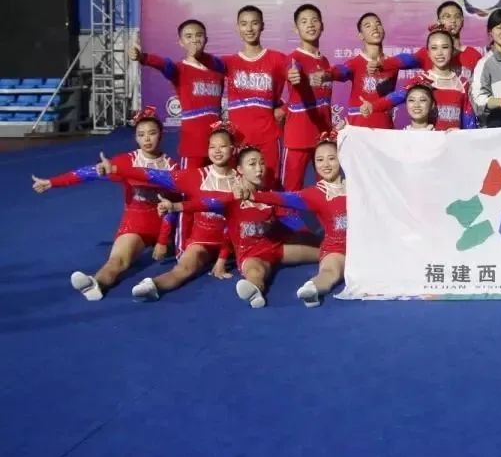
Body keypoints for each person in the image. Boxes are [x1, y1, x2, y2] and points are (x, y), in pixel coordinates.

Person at [30, 108, 176, 300]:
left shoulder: (172, 166)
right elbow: (87, 173)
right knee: (117, 261)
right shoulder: (127, 161)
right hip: (136, 224)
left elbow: (175, 204)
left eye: (152, 133)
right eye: (141, 135)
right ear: (136, 138)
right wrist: (52, 182)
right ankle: (96, 283)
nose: (147, 139)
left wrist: (163, 240)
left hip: (164, 224)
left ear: (161, 134)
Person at [162, 147, 320, 308]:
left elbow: (290, 216)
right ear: (240, 169)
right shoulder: (232, 198)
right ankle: (255, 292)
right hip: (250, 254)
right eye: (252, 164)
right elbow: (205, 204)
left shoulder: (268, 195)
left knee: (324, 253)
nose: (259, 169)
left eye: (262, 163)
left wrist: (307, 235)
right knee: (256, 273)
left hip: (277, 248)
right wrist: (175, 206)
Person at [99, 122, 240, 301]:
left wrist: (222, 259)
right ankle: (154, 285)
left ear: (233, 149)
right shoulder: (195, 176)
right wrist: (116, 168)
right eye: (212, 147)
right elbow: (153, 175)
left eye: (222, 146)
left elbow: (237, 221)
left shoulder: (241, 181)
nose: (217, 151)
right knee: (183, 269)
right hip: (203, 241)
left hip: (234, 243)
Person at [247, 132, 347, 307]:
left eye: (331, 158)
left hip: (363, 247)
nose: (325, 164)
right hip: (337, 248)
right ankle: (313, 288)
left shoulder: (356, 186)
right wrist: (253, 195)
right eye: (319, 160)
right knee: (331, 272)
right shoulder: (315, 193)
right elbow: (284, 198)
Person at [129, 19, 225, 170]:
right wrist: (143, 57)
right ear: (181, 42)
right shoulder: (179, 70)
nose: (194, 40)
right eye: (188, 36)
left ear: (206, 39)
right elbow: (164, 64)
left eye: (199, 35)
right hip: (192, 144)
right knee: (189, 183)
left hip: (218, 142)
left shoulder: (218, 68)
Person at [214, 5, 290, 184]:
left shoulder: (278, 59)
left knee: (270, 186)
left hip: (269, 137)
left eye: (254, 23)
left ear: (262, 26)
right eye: (244, 24)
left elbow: (304, 88)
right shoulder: (228, 62)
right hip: (238, 139)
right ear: (237, 27)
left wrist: (285, 109)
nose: (249, 29)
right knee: (239, 188)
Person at [368, 27, 476, 130]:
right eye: (434, 48)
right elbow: (396, 97)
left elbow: (469, 121)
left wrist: (469, 137)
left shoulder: (462, 84)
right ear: (428, 53)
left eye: (445, 47)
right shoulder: (421, 80)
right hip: (427, 140)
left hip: (452, 141)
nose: (439, 53)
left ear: (452, 51)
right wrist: (372, 106)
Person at [282, 4, 335, 190]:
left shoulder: (324, 61)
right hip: (298, 137)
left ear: (322, 25)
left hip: (323, 136)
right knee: (291, 190)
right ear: (296, 29)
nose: (310, 25)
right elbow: (292, 72)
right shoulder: (293, 59)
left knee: (327, 188)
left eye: (314, 20)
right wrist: (294, 76)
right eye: (304, 22)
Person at [333, 12, 417, 128]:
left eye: (378, 24)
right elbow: (339, 72)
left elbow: (415, 60)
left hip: (385, 128)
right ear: (361, 36)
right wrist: (327, 73)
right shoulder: (354, 63)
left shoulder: (393, 63)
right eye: (368, 26)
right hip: (359, 127)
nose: (374, 28)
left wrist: (383, 64)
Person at [415, 1, 484, 81]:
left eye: (457, 16)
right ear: (439, 21)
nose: (453, 20)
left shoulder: (473, 55)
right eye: (447, 16)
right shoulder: (427, 52)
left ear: (462, 21)